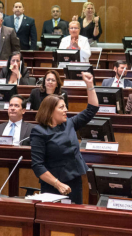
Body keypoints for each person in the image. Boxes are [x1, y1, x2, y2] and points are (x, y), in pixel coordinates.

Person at [31, 72, 99, 204]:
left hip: (74, 181)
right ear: (50, 111)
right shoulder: (39, 132)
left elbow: (92, 109)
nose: (66, 110)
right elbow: (38, 166)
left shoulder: (69, 123)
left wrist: (90, 85)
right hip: (53, 186)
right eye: (61, 107)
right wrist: (58, 184)